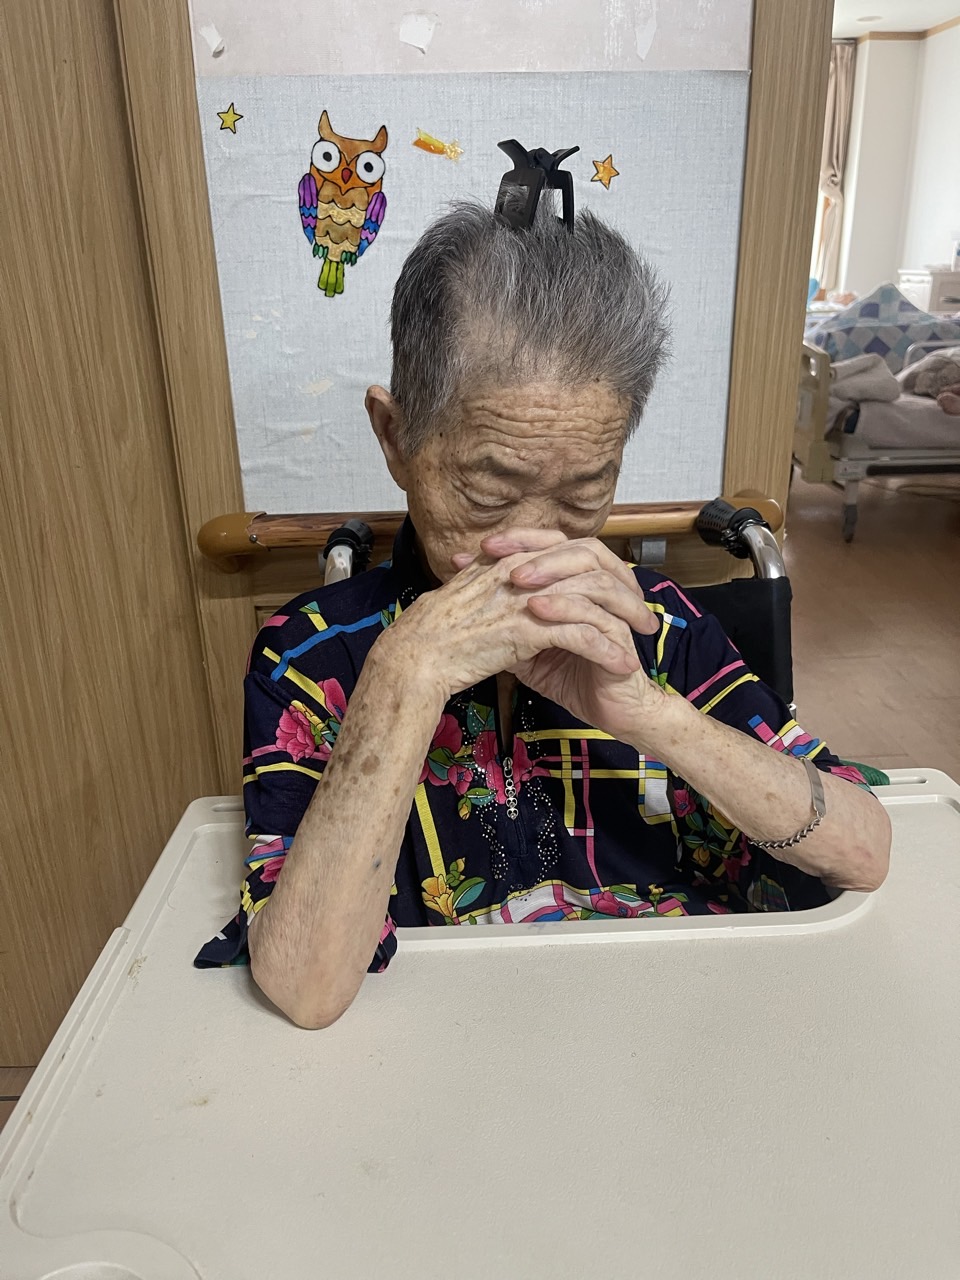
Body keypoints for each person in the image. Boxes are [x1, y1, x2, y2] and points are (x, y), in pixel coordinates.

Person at [196, 200, 891, 1028]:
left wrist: (651, 714)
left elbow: (863, 852)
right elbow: (305, 990)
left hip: (680, 1025)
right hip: (434, 1044)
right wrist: (405, 677)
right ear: (394, 438)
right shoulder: (312, 654)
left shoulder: (659, 625)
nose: (529, 547)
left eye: (584, 494)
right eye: (487, 493)